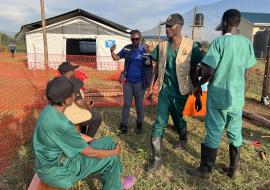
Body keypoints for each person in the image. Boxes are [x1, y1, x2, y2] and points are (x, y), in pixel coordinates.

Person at [186, 9, 257, 179]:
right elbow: (246, 74)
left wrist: (199, 84)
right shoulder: (247, 43)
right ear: (238, 23)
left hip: (218, 97)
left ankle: (205, 170)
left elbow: (208, 71)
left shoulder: (218, 43)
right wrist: (241, 96)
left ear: (224, 23)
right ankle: (233, 169)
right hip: (236, 98)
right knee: (235, 131)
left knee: (213, 131)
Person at [32, 76, 136, 189]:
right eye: (74, 93)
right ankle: (116, 183)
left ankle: (115, 180)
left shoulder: (49, 110)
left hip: (47, 166)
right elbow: (91, 153)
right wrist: (115, 152)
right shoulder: (61, 125)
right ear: (67, 100)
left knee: (108, 142)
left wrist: (94, 141)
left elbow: (74, 135)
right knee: (111, 159)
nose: (76, 95)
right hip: (60, 172)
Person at [146, 13, 203, 172]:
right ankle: (157, 159)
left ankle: (183, 137)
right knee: (159, 122)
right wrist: (151, 87)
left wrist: (197, 94)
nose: (167, 29)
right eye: (166, 26)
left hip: (181, 91)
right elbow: (157, 68)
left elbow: (194, 72)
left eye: (170, 26)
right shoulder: (163, 46)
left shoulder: (192, 46)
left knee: (178, 118)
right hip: (164, 90)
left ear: (180, 26)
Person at [110, 30, 153, 134]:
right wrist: (111, 51)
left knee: (139, 105)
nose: (135, 41)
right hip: (128, 82)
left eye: (137, 39)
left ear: (140, 38)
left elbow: (155, 59)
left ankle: (139, 125)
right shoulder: (127, 48)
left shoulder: (145, 49)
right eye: (133, 39)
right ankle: (123, 125)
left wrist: (152, 51)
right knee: (126, 104)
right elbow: (116, 58)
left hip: (140, 83)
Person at [58, 61, 102, 137]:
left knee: (86, 112)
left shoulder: (56, 81)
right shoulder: (72, 82)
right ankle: (88, 140)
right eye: (73, 70)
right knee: (97, 117)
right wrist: (88, 107)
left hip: (59, 113)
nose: (75, 71)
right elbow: (80, 103)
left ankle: (82, 134)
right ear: (68, 72)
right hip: (69, 115)